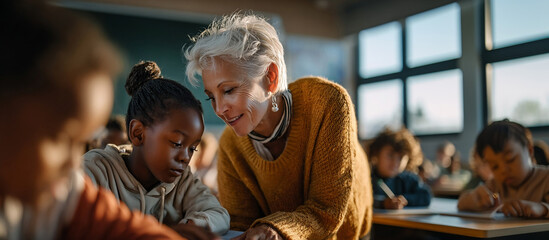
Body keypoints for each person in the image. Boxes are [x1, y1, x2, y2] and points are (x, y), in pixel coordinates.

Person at [0, 2, 204, 239]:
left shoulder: (58, 191)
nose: (73, 163)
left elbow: (120, 227)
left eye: (81, 141)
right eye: (61, 138)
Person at [185, 13, 372, 239]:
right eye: (211, 97)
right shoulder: (230, 144)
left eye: (228, 90)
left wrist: (273, 229)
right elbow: (241, 223)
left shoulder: (328, 103)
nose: (219, 109)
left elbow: (327, 211)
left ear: (270, 77)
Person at [83, 61, 230, 236]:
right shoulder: (96, 169)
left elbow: (220, 215)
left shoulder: (183, 182)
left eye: (193, 149)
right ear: (138, 134)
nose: (185, 157)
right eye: (177, 143)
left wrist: (190, 226)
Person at [457, 120, 549, 218]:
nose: (503, 170)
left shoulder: (546, 179)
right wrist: (475, 200)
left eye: (510, 160)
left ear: (530, 151)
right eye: (494, 166)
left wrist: (543, 209)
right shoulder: (496, 185)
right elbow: (461, 203)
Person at [368, 128, 431, 209]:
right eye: (390, 155)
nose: (395, 162)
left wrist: (404, 200)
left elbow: (426, 196)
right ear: (376, 153)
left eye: (401, 158)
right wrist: (383, 203)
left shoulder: (408, 179)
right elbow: (362, 199)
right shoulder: (368, 178)